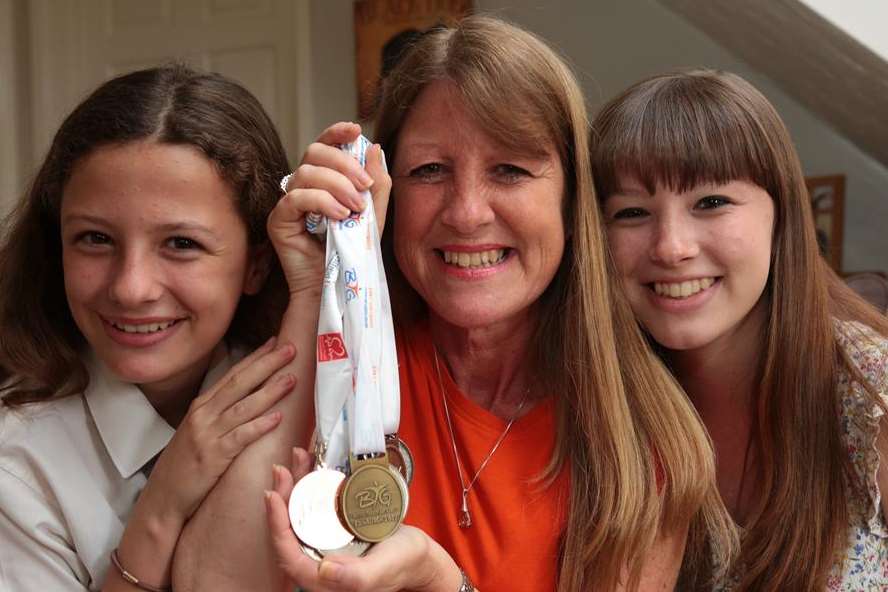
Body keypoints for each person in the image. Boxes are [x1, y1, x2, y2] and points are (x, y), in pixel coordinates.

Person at [175, 17, 736, 592]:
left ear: (571, 203)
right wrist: (319, 291)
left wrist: (443, 584)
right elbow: (209, 583)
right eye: (431, 171)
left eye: (511, 170)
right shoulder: (350, 376)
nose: (467, 212)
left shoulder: (642, 441)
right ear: (383, 190)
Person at [0, 64, 302, 591]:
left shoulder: (313, 395)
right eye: (95, 239)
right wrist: (161, 507)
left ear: (257, 263)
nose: (130, 288)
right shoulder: (19, 464)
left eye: (181, 244)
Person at [591, 68, 888, 590]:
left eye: (710, 203)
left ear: (783, 216)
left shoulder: (870, 394)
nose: (671, 246)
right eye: (632, 212)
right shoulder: (598, 404)